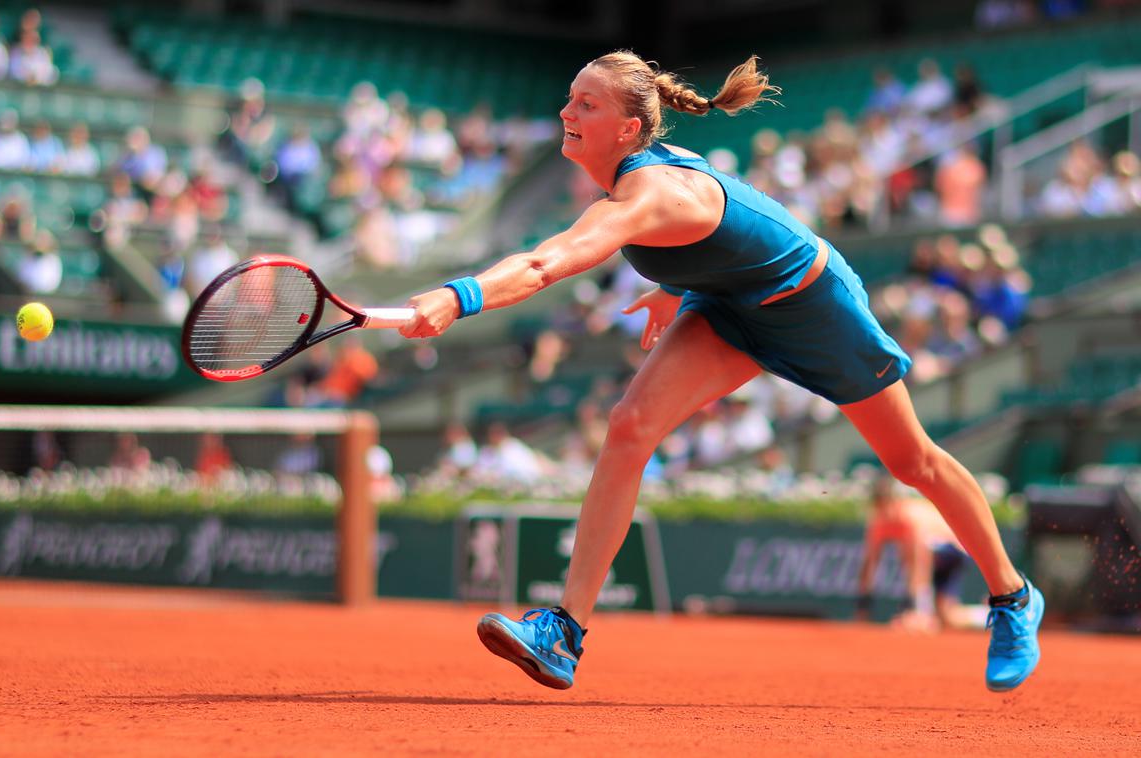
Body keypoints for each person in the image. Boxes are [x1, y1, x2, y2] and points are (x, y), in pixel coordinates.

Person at [397, 51, 1043, 693]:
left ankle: (1012, 599)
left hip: (813, 304)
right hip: (730, 306)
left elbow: (545, 264)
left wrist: (458, 297)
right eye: (570, 97)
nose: (567, 111)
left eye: (586, 104)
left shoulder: (646, 193)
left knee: (912, 462)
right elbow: (723, 237)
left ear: (628, 130)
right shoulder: (634, 187)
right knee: (628, 427)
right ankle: (564, 631)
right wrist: (678, 288)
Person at [856, 475, 987, 631]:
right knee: (948, 618)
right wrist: (863, 603)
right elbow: (870, 563)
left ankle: (921, 611)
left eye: (887, 503)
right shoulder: (878, 522)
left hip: (952, 551)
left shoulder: (911, 517)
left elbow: (920, 564)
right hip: (933, 554)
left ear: (895, 500)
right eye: (880, 505)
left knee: (910, 551)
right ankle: (990, 614)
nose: (886, 511)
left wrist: (916, 608)